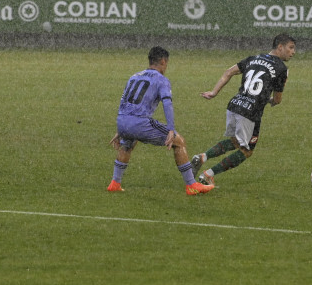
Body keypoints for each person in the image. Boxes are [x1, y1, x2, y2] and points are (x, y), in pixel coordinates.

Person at [191, 34, 296, 186]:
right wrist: (271, 101)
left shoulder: (252, 58)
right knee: (246, 151)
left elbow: (228, 72)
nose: (293, 52)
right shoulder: (281, 69)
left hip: (234, 105)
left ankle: (202, 157)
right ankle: (208, 175)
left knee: (235, 141)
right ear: (280, 47)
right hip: (250, 112)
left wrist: (214, 92)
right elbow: (278, 99)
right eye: (291, 48)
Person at [108, 47, 214, 196]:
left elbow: (124, 101)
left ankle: (115, 183)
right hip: (139, 123)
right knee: (179, 141)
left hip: (123, 120)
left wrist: (121, 128)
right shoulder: (161, 80)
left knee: (128, 143)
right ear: (163, 61)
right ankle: (191, 185)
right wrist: (171, 129)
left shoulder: (134, 76)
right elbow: (167, 104)